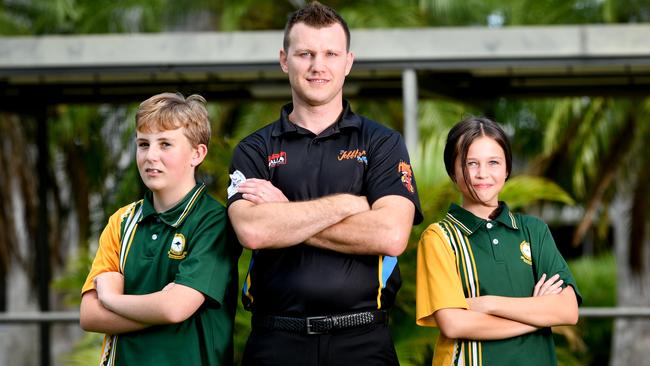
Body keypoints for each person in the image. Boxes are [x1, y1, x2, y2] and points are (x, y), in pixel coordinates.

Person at [227, 2, 423, 365]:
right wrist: (349, 204)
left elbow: (391, 235)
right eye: (305, 54)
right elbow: (254, 230)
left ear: (348, 62)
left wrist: (284, 215)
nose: (318, 66)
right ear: (285, 60)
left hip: (362, 340)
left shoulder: (381, 142)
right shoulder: (255, 148)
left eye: (330, 54)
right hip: (276, 341)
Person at [80, 92, 240, 366]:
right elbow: (90, 316)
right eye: (143, 144)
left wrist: (110, 298)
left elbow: (175, 308)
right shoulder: (121, 222)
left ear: (197, 153)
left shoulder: (214, 222)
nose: (151, 155)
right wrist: (158, 308)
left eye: (166, 144)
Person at [416, 116, 582, 365]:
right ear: (453, 171)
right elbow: (454, 324)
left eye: (493, 162)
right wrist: (538, 313)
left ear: (507, 170)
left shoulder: (533, 231)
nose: (482, 174)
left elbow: (567, 310)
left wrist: (487, 304)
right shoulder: (439, 237)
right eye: (471, 163)